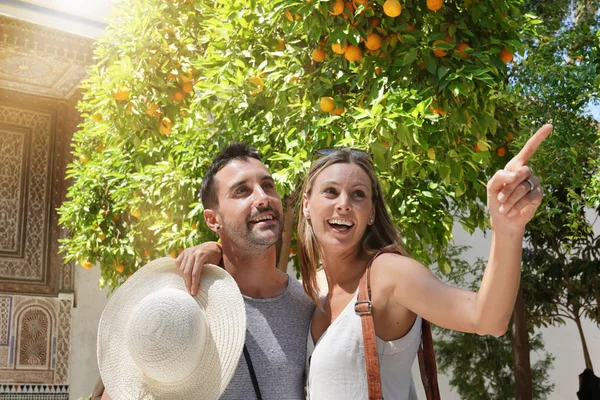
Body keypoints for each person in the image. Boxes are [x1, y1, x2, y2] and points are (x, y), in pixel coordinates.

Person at [299, 124, 552, 399]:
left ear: (371, 213)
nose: (344, 203)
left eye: (358, 194)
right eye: (331, 192)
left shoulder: (387, 274)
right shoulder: (307, 288)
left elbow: (486, 318)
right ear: (306, 206)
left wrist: (508, 229)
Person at [176, 143, 314, 399]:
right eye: (242, 191)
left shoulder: (308, 307)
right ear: (212, 220)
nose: (263, 198)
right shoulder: (189, 301)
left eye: (268, 186)